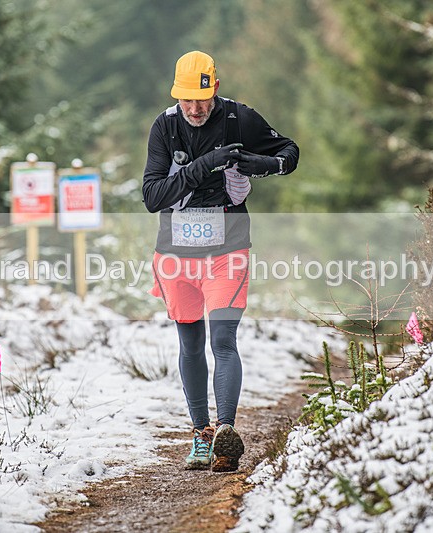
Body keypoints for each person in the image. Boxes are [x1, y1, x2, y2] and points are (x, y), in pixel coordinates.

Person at [142, 51, 299, 472]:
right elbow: (152, 197)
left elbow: (289, 152)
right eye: (187, 100)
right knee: (190, 344)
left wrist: (257, 163)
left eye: (202, 98)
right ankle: (201, 434)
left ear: (215, 87)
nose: (195, 109)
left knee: (222, 341)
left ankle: (225, 434)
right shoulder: (165, 126)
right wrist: (203, 166)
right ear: (177, 95)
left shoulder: (237, 119)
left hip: (227, 250)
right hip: (175, 255)